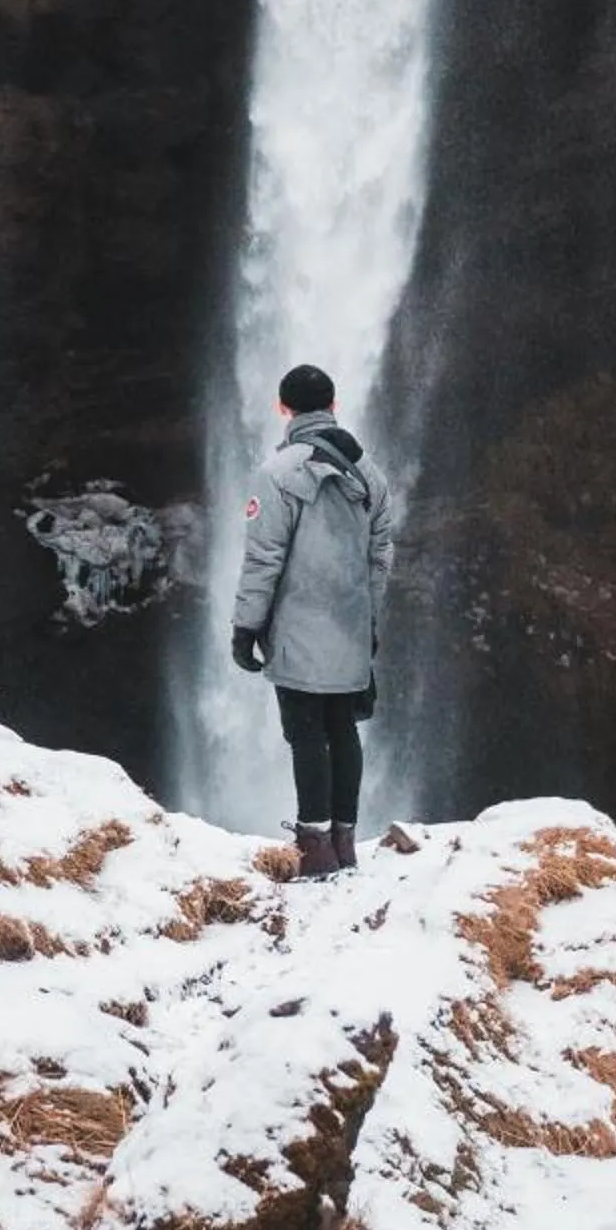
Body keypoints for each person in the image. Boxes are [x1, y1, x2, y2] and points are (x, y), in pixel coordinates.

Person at [229, 362, 397, 879]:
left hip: (298, 626)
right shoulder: (370, 473)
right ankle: (345, 841)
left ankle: (314, 846)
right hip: (350, 623)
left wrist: (246, 627)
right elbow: (381, 552)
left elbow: (264, 559)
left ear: (284, 409)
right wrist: (367, 616)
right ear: (334, 405)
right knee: (342, 728)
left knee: (306, 732)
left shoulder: (276, 474)